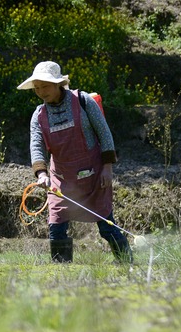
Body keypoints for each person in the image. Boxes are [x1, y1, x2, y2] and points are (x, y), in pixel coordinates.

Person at [18, 61, 132, 263]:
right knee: (56, 227)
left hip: (94, 176)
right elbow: (36, 145)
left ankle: (126, 261)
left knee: (106, 226)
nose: (41, 92)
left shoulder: (83, 101)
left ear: (58, 84)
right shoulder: (38, 116)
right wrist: (42, 174)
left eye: (45, 86)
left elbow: (104, 133)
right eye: (37, 88)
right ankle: (62, 268)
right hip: (61, 180)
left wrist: (107, 168)